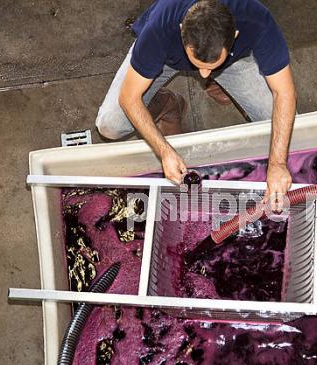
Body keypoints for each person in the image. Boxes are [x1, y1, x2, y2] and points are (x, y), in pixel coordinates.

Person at [95, 0, 296, 210]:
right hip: (167, 58)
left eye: (211, 69)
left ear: (235, 34)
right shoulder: (160, 27)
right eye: (200, 67)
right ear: (182, 29)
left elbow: (284, 92)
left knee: (288, 125)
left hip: (233, 61)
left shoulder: (256, 18)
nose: (203, 75)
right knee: (110, 125)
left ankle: (222, 78)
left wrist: (278, 164)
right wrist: (163, 150)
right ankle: (167, 104)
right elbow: (129, 97)